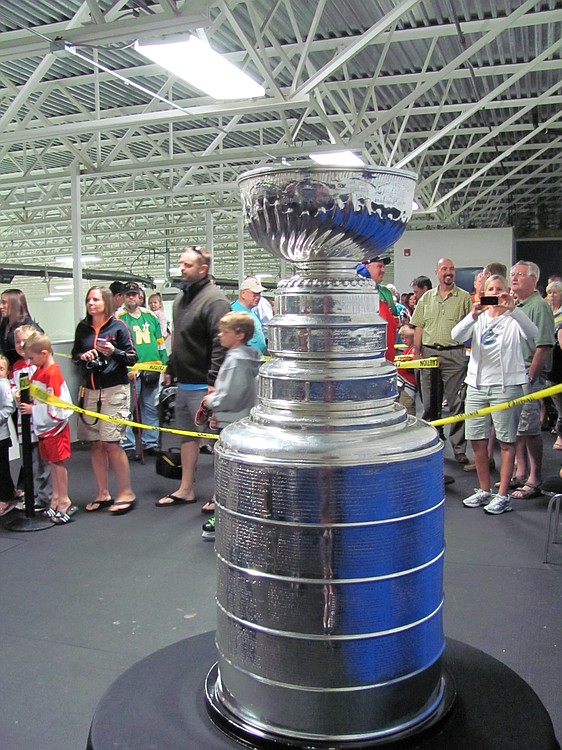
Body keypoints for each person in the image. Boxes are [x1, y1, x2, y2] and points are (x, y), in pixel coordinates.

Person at [451, 275, 538, 514]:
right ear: (483, 292)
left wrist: (514, 310)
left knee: (506, 441)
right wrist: (474, 313)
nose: (495, 294)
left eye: (500, 290)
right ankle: (484, 490)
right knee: (477, 441)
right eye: (491, 289)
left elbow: (532, 334)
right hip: (477, 385)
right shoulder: (478, 319)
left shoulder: (513, 320)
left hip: (505, 387)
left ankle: (503, 495)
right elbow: (456, 335)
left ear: (507, 292)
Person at [156, 245, 230, 508]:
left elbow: (222, 344)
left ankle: (221, 494)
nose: (182, 268)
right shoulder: (179, 299)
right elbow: (180, 338)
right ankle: (186, 488)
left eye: (187, 265)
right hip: (184, 384)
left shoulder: (215, 300)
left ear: (203, 268)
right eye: (181, 263)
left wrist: (214, 383)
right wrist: (170, 367)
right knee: (187, 437)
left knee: (215, 443)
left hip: (206, 386)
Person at [71, 286, 138, 515]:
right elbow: (74, 356)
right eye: (89, 299)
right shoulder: (83, 328)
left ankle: (126, 492)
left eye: (96, 300)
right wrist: (83, 356)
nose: (91, 303)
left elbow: (132, 357)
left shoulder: (119, 327)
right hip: (90, 391)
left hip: (114, 390)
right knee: (96, 444)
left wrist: (113, 352)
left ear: (106, 302)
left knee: (111, 443)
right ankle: (103, 493)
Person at [199, 312, 261, 540]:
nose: (220, 335)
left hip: (231, 423)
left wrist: (210, 401)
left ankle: (226, 519)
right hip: (243, 421)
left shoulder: (235, 360)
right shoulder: (252, 356)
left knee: (228, 474)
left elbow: (230, 395)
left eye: (224, 331)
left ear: (239, 335)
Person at [411, 258, 472, 462]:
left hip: (455, 355)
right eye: (444, 269)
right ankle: (432, 443)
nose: (449, 272)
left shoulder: (464, 298)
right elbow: (418, 326)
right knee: (429, 403)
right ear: (437, 272)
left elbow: (472, 326)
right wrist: (417, 352)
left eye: (451, 268)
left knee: (456, 403)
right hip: (429, 354)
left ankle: (459, 449)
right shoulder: (426, 298)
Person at [509, 261, 554, 499]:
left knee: (530, 428)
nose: (514, 278)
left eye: (520, 275)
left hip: (528, 375)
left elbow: (544, 345)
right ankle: (520, 471)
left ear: (533, 279)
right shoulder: (517, 306)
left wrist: (531, 376)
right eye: (512, 274)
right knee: (517, 428)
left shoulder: (539, 307)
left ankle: (534, 478)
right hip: (513, 375)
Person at [20, 332, 75, 524]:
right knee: (52, 463)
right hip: (45, 428)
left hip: (55, 428)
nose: (31, 361)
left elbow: (57, 406)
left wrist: (32, 410)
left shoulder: (52, 373)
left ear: (44, 353)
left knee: (58, 464)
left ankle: (64, 499)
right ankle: (55, 498)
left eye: (33, 357)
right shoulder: (40, 371)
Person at [117, 282, 167, 458]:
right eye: (128, 295)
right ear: (123, 297)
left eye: (134, 294)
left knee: (150, 409)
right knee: (128, 409)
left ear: (139, 296)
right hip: (132, 371)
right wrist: (127, 368)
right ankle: (128, 444)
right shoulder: (119, 318)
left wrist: (165, 365)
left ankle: (150, 443)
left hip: (152, 369)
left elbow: (159, 341)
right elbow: (117, 347)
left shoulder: (150, 316)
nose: (131, 297)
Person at [10, 325, 52, 512]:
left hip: (40, 422)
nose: (20, 345)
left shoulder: (39, 366)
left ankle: (45, 498)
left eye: (24, 341)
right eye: (17, 341)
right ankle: (33, 496)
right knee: (30, 463)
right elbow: (12, 387)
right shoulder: (17, 367)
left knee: (43, 463)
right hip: (24, 423)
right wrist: (15, 394)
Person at [358, 253, 398, 361]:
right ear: (366, 267)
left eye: (384, 267)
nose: (383, 270)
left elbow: (394, 318)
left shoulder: (386, 292)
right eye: (379, 266)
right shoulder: (357, 297)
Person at [0, 288, 41, 368]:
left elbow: (43, 353)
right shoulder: (4, 326)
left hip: (25, 372)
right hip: (9, 374)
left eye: (4, 303)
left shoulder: (29, 327)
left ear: (15, 304)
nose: (1, 306)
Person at [545, 280, 562, 450]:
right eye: (550, 292)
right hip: (551, 365)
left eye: (555, 292)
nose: (552, 295)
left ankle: (559, 436)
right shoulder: (546, 312)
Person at [231, 277, 267, 355]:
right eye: (255, 294)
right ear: (243, 294)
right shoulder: (235, 312)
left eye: (259, 294)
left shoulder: (250, 311)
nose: (258, 297)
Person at [0, 354, 16, 517]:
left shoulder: (4, 386)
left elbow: (8, 407)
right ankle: (9, 490)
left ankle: (5, 498)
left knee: (2, 468)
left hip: (1, 437)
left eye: (1, 369)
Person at [396, 323, 417, 416]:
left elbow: (412, 366)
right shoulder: (407, 349)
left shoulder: (415, 350)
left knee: (407, 405)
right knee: (399, 404)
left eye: (405, 338)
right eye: (402, 338)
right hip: (401, 382)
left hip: (409, 383)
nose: (404, 341)